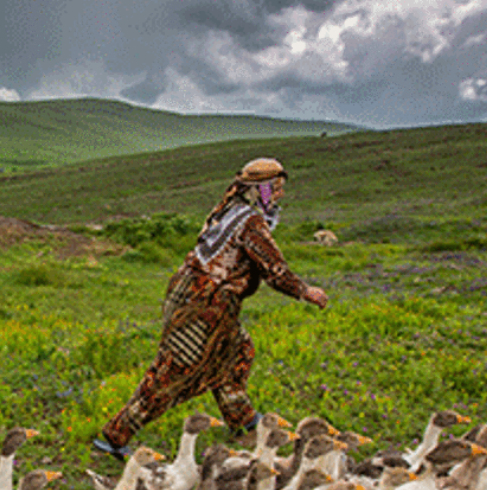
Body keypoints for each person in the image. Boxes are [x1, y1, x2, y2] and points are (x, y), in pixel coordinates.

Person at [93, 157, 328, 459]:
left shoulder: (228, 211)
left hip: (198, 297)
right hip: (204, 305)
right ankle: (115, 436)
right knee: (174, 372)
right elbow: (274, 269)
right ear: (263, 190)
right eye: (277, 189)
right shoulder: (250, 222)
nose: (280, 195)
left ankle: (241, 418)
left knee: (237, 352)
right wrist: (305, 291)